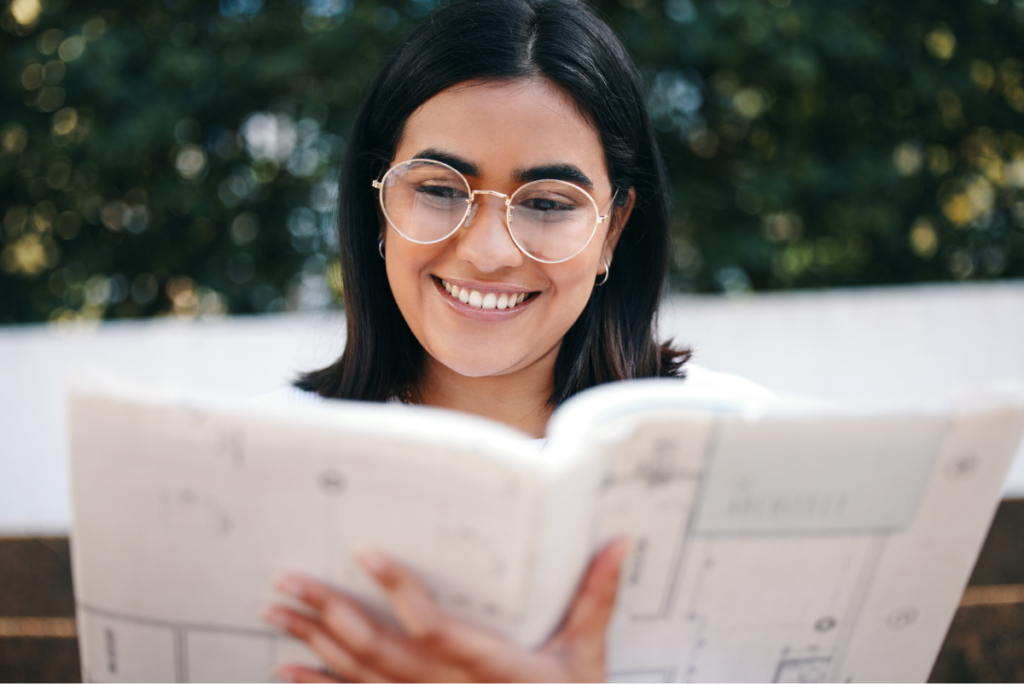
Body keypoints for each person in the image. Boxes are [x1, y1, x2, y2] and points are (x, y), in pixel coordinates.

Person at [260, 0, 770, 681]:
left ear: (612, 230)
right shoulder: (260, 459)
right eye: (440, 188)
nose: (489, 252)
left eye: (548, 202)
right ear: (378, 204)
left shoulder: (748, 449)